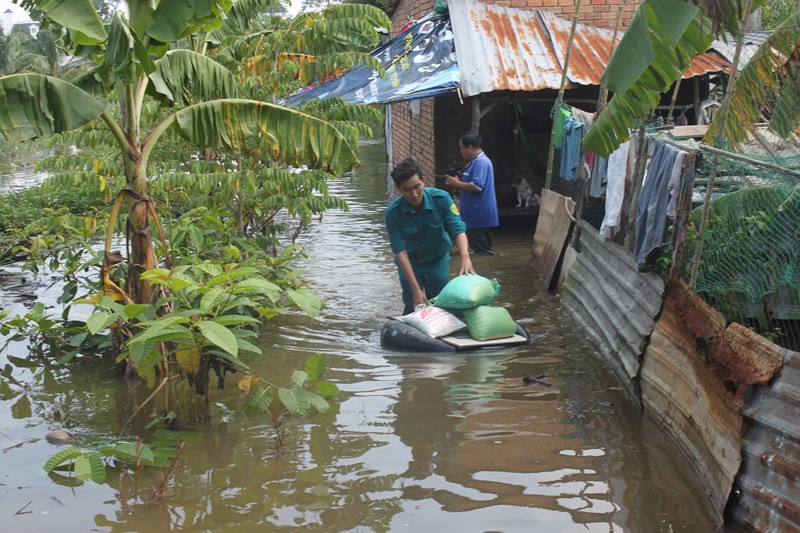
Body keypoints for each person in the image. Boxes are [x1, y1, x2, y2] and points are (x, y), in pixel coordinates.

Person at [385, 158, 476, 315]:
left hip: (437, 260)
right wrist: (415, 289)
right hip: (410, 262)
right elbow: (400, 251)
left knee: (440, 302)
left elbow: (458, 230)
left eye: (417, 187)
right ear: (399, 189)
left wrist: (465, 257)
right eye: (407, 190)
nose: (414, 194)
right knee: (413, 303)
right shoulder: (393, 213)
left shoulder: (441, 199)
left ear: (423, 181)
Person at [445, 132, 499, 255]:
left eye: (462, 148)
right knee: (478, 250)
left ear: (469, 147)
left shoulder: (481, 163)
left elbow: (477, 186)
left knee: (483, 252)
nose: (461, 151)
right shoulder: (475, 162)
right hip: (474, 215)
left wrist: (457, 184)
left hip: (479, 214)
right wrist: (456, 182)